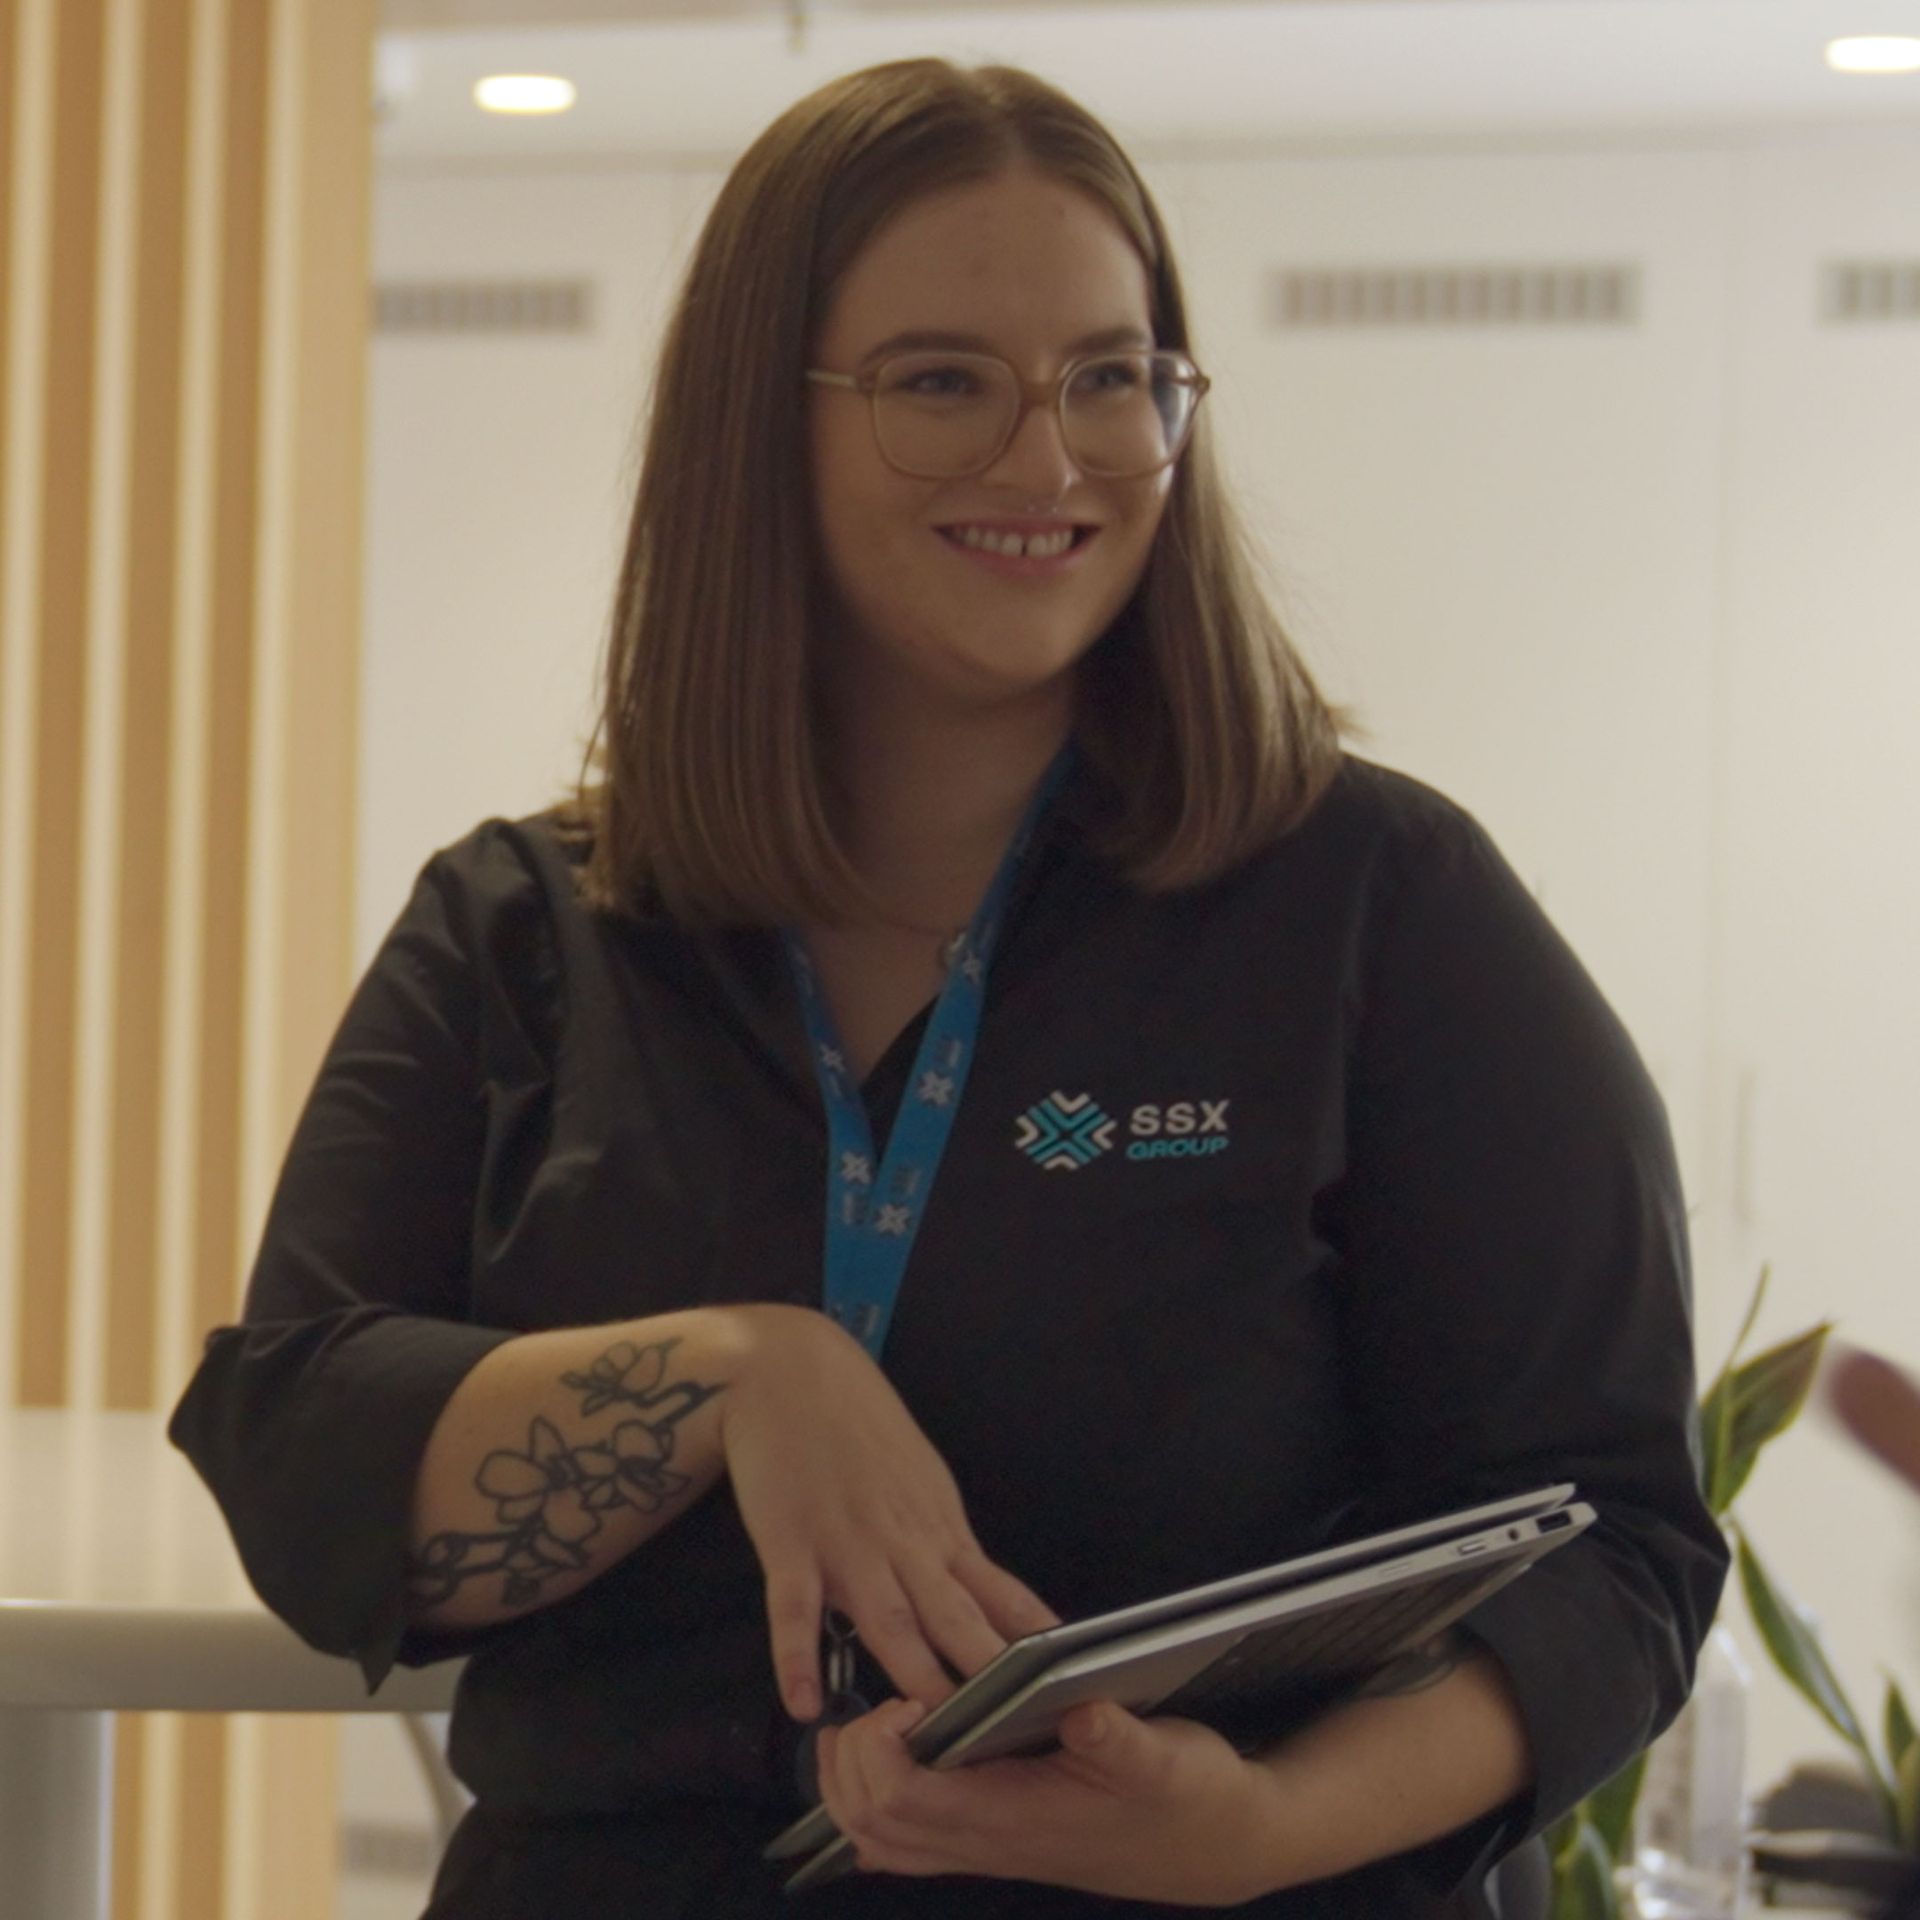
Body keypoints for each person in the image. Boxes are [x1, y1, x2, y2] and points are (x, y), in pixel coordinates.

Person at [170, 57, 1727, 1919]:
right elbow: (306, 1458)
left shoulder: (1381, 909)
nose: (1046, 461)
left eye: (1108, 378)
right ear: (765, 423)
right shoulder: (529, 929)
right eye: (940, 384)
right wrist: (736, 1378)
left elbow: (1612, 1543)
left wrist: (1259, 1829)